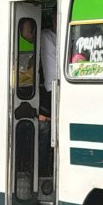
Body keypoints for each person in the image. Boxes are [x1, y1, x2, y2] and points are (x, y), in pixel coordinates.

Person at [38, 10, 57, 178]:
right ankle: (43, 174)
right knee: (44, 128)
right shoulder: (45, 36)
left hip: (58, 93)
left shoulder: (71, 37)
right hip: (48, 95)